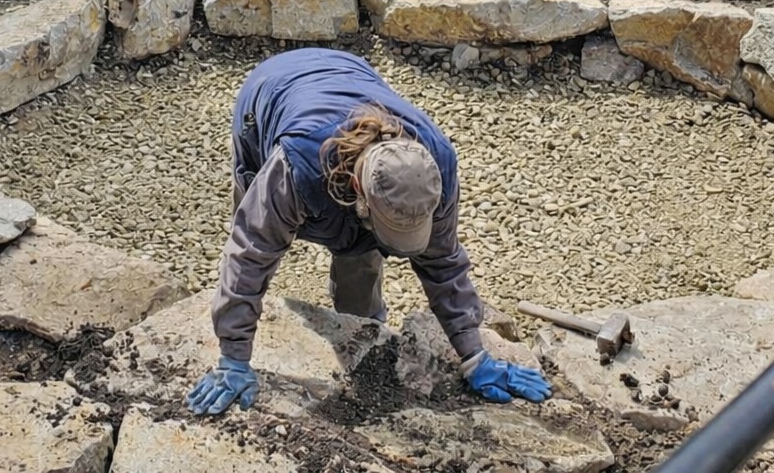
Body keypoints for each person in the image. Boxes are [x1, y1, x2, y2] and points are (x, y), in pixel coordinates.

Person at [186, 47, 553, 415]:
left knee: (361, 252)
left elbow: (443, 263)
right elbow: (249, 254)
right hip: (270, 90)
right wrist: (233, 358)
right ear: (360, 192)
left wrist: (473, 353)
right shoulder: (294, 166)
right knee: (253, 224)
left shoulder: (432, 167)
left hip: (347, 72)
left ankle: (362, 329)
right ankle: (234, 325)